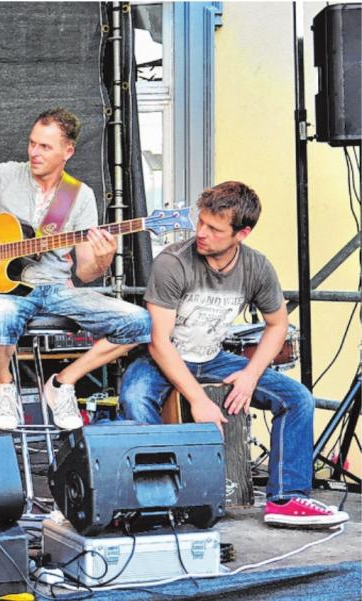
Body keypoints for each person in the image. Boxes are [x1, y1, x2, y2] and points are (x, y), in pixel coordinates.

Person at [119, 181, 348, 528]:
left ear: (242, 233)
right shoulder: (173, 262)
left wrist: (250, 374)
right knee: (135, 396)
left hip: (212, 357)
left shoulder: (256, 267)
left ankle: (285, 499)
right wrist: (198, 399)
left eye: (214, 228)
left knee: (298, 398)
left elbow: (277, 324)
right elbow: (158, 343)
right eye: (201, 222)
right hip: (162, 359)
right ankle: (158, 500)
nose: (201, 233)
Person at [0, 107, 150, 432]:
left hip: (58, 290)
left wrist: (103, 258)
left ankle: (62, 384)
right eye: (33, 143)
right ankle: (4, 385)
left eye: (45, 147)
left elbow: (86, 273)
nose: (34, 152)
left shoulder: (79, 196)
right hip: (8, 291)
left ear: (68, 151)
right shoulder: (4, 175)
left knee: (139, 321)